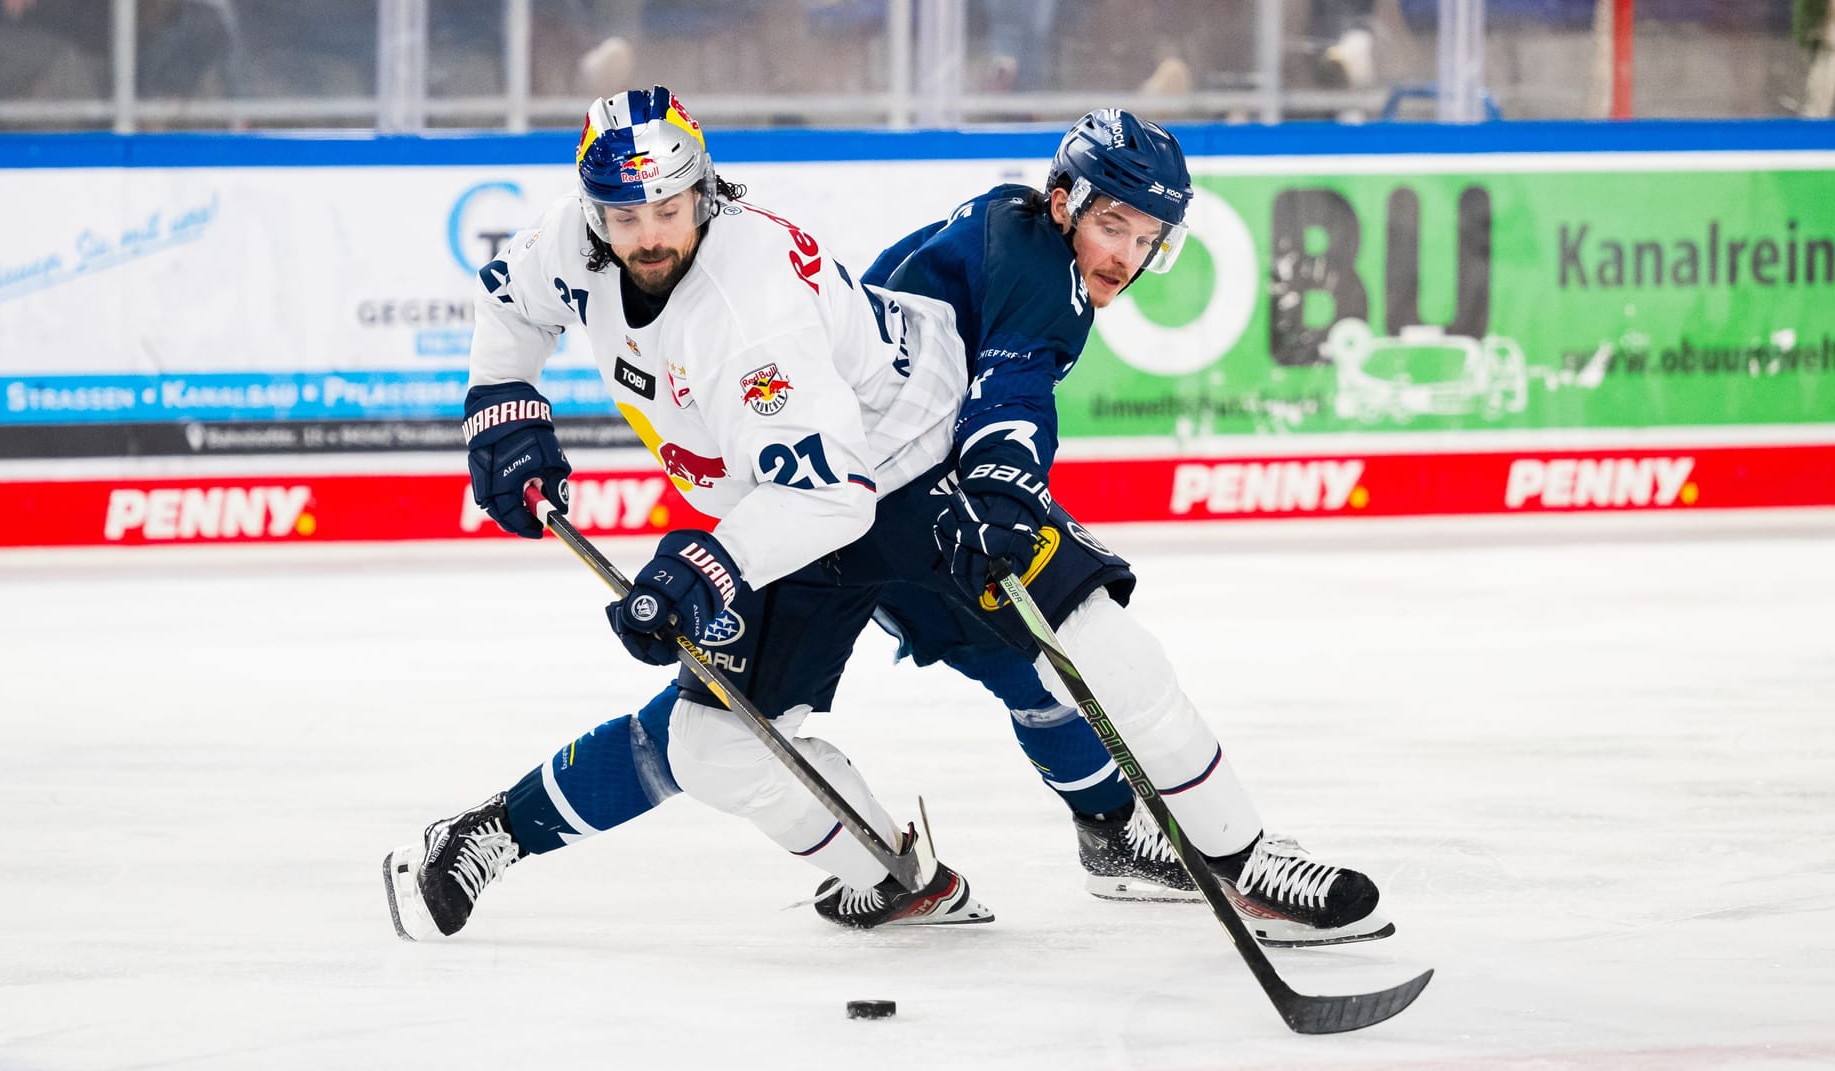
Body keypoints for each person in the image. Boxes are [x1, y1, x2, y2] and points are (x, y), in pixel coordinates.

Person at [384, 92, 1393, 950]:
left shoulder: (754, 309)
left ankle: (1243, 859)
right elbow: (511, 310)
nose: (649, 231)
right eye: (624, 210)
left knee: (1088, 647)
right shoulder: (579, 240)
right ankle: (880, 871)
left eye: (670, 205)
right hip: (784, 509)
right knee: (711, 744)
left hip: (906, 479)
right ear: (593, 206)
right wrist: (505, 408)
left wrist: (716, 565)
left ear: (707, 189)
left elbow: (864, 478)